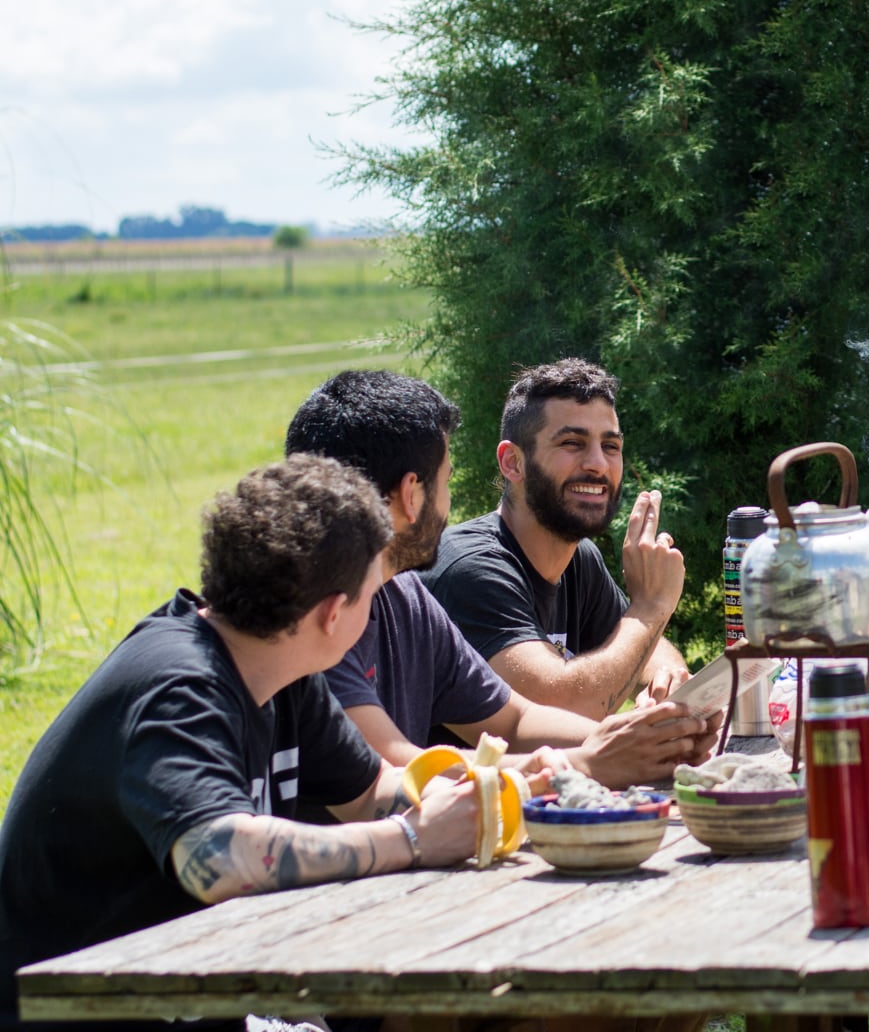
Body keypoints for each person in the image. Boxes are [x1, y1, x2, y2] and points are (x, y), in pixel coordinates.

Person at [0, 456, 484, 1032]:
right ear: (334, 613)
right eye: (374, 590)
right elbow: (219, 856)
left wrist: (505, 789)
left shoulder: (281, 672)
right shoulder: (178, 689)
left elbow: (369, 789)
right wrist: (411, 838)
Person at [285, 370, 719, 786]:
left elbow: (516, 718)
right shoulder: (315, 620)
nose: (597, 464)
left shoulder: (404, 594)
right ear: (410, 494)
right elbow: (389, 772)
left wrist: (649, 737)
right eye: (447, 480)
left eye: (611, 446)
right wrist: (584, 761)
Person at [423, 359, 692, 720]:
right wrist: (651, 607)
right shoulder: (470, 569)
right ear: (512, 462)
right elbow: (556, 711)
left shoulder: (579, 559)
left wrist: (666, 681)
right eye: (571, 443)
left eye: (610, 447)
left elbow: (648, 653)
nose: (598, 464)